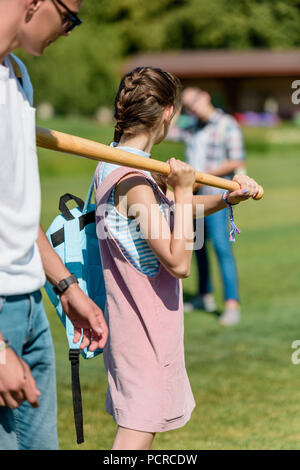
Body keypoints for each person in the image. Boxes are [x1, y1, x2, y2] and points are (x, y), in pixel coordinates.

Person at [94, 67, 260, 450]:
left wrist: (224, 198)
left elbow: (168, 210)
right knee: (135, 433)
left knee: (140, 429)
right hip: (140, 327)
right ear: (168, 113)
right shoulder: (133, 178)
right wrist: (184, 191)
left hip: (140, 324)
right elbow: (179, 261)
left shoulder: (119, 163)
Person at [0, 0, 108, 450]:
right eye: (71, 17)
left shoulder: (18, 76)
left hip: (29, 309)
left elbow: (15, 210)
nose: (70, 30)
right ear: (35, 2)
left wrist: (67, 288)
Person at [169, 87, 247, 325]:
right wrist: (178, 108)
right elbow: (167, 130)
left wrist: (203, 175)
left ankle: (232, 303)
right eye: (187, 105)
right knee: (198, 247)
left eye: (194, 101)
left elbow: (237, 160)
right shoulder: (191, 127)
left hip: (215, 195)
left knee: (221, 248)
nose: (192, 107)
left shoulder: (226, 125)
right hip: (192, 197)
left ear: (206, 96)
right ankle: (205, 296)